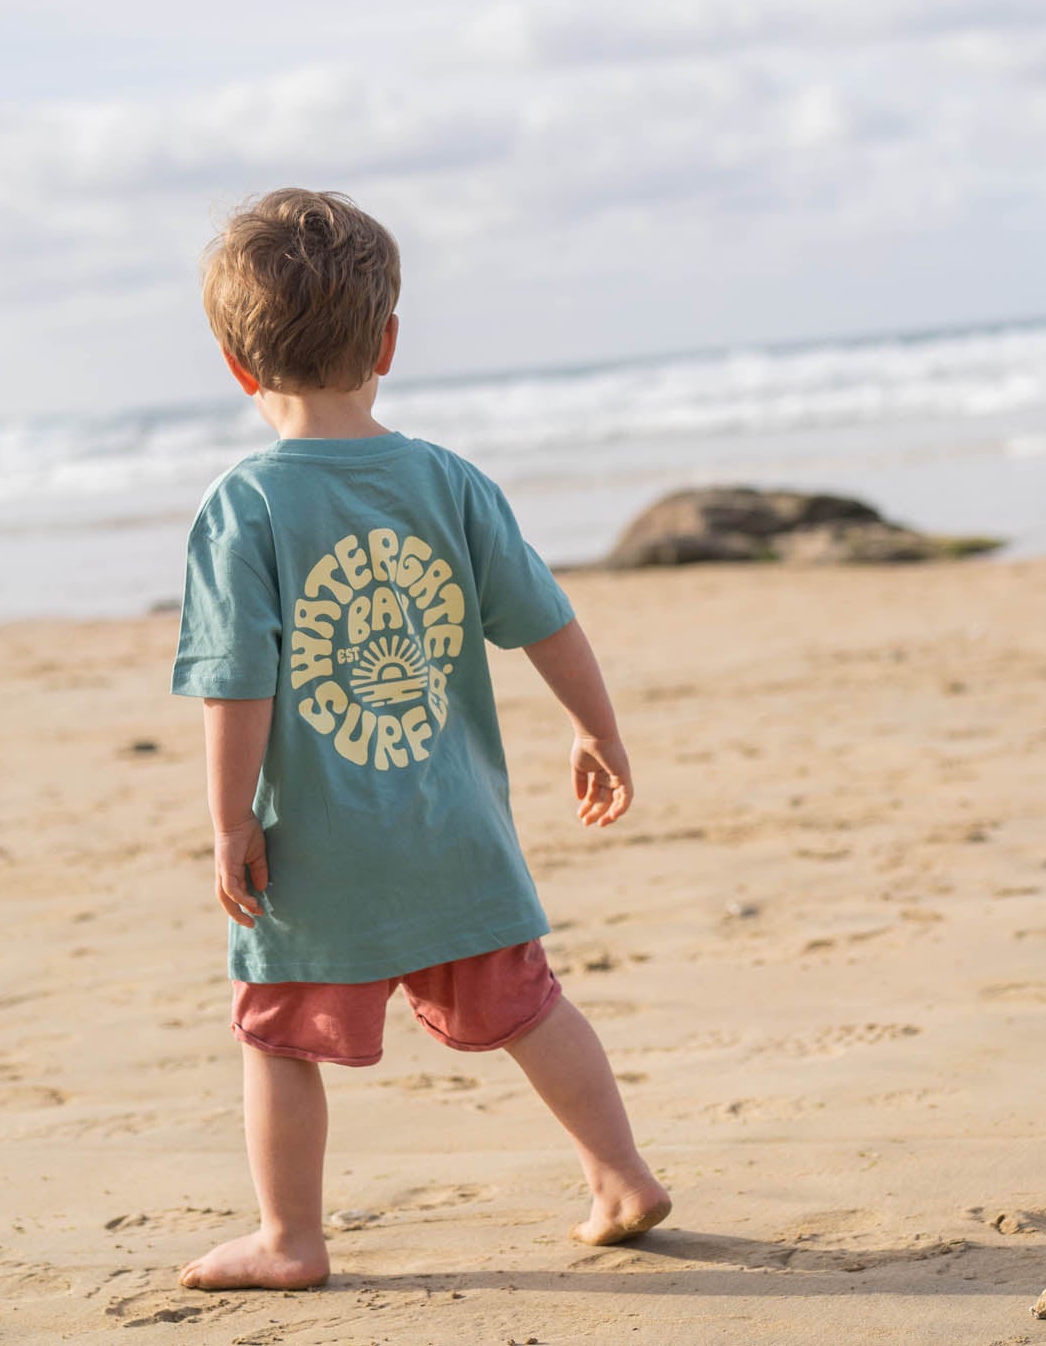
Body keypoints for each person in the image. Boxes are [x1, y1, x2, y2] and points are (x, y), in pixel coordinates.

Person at [170, 189, 669, 1292]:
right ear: (389, 341)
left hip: (319, 847)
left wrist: (228, 822)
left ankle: (292, 1241)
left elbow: (235, 684)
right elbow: (545, 618)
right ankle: (622, 1174)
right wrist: (600, 731)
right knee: (531, 1005)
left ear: (235, 366)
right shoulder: (446, 481)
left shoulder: (242, 508)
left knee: (280, 1039)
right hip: (453, 830)